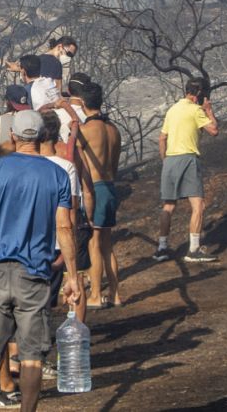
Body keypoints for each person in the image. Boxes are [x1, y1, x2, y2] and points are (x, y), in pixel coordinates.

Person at [0, 110, 81, 412]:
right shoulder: (57, 174)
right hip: (35, 274)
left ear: (13, 137)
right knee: (32, 356)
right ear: (43, 138)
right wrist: (73, 276)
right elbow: (64, 227)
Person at [153, 77, 220, 263]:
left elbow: (161, 138)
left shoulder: (172, 110)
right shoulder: (196, 110)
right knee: (198, 205)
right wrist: (209, 111)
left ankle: (162, 248)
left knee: (169, 206)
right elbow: (214, 131)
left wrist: (165, 160)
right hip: (188, 158)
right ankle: (193, 249)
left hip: (170, 160)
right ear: (199, 94)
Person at [38, 111, 93, 324]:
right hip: (61, 240)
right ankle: (77, 335)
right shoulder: (65, 167)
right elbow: (72, 210)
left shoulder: (24, 165)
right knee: (75, 281)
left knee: (37, 297)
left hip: (36, 242)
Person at [72, 81, 123, 306]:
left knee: (93, 243)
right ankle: (115, 294)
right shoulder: (114, 130)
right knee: (107, 244)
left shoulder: (84, 131)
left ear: (83, 103)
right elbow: (116, 165)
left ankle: (94, 295)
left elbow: (77, 164)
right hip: (111, 187)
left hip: (95, 189)